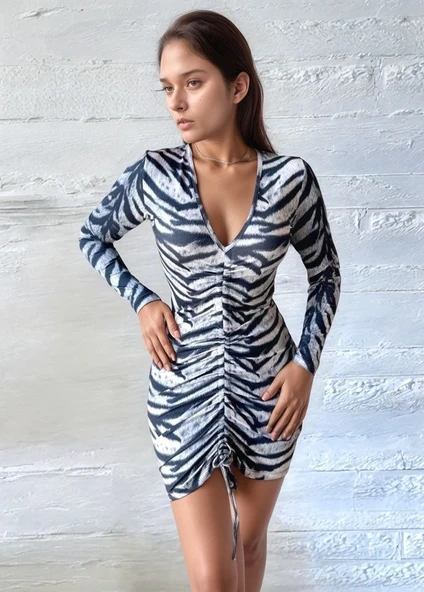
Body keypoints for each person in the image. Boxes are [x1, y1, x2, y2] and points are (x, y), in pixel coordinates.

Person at [78, 9, 341, 592]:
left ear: (237, 86)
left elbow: (325, 274)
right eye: (168, 87)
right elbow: (93, 236)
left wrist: (305, 366)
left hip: (270, 389)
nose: (176, 102)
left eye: (193, 82)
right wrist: (143, 300)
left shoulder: (290, 179)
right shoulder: (156, 174)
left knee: (247, 544)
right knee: (213, 578)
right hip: (181, 385)